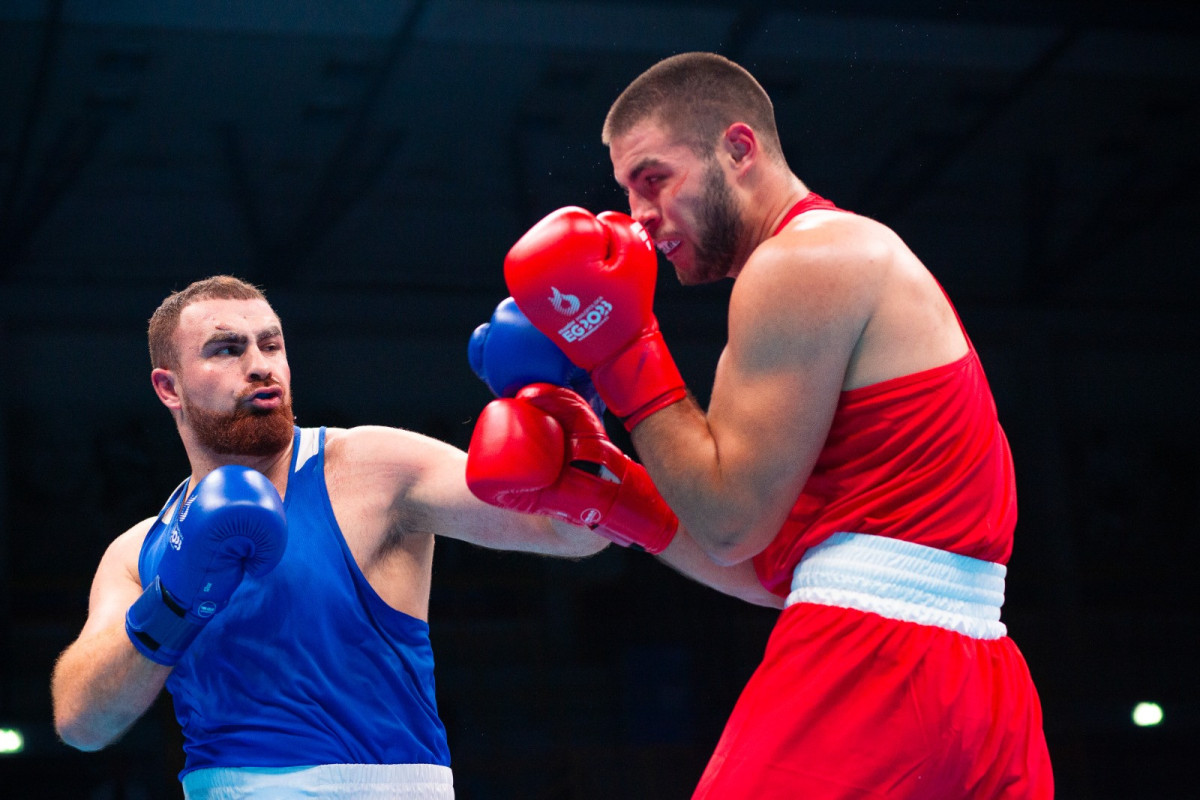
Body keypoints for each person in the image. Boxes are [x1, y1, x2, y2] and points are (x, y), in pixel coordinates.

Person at [496, 52, 1054, 798]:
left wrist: (621, 351)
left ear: (739, 148)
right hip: (982, 684)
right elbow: (768, 567)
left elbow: (729, 525)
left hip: (875, 662)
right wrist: (605, 489)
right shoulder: (830, 268)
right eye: (628, 191)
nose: (638, 217)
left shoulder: (802, 260)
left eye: (655, 179)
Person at [49, 274, 684, 799]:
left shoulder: (372, 468)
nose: (259, 366)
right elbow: (81, 722)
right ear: (170, 388)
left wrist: (576, 412)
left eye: (271, 345)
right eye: (226, 349)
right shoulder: (140, 550)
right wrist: (176, 600)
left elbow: (568, 534)